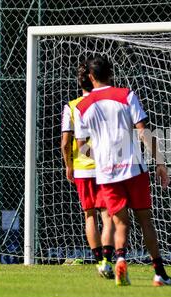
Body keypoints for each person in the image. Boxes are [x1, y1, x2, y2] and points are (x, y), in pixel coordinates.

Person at [74, 56, 171, 286]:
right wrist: (160, 162)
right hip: (134, 169)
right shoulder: (126, 95)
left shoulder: (82, 106)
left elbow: (81, 147)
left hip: (107, 173)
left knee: (120, 223)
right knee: (145, 221)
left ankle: (120, 260)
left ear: (90, 77)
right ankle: (159, 273)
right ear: (110, 73)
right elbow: (143, 132)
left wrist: (100, 156)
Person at [61, 63, 115, 278]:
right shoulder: (106, 104)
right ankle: (107, 260)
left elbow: (65, 142)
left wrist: (69, 164)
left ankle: (98, 260)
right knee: (108, 214)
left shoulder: (72, 106)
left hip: (83, 168)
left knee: (89, 215)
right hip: (105, 165)